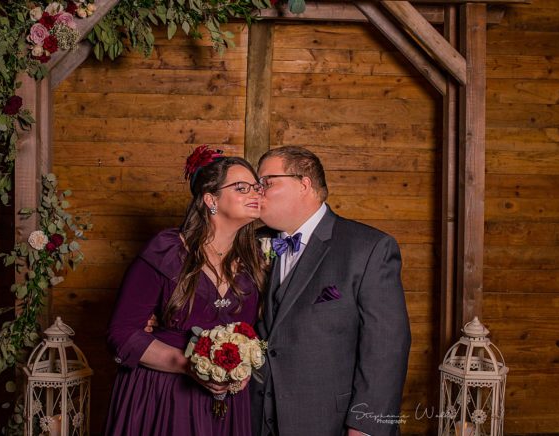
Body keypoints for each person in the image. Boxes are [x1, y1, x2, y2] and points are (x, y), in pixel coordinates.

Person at [105, 146, 269, 435]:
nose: (255, 194)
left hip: (228, 403)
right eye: (242, 188)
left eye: (256, 187)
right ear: (210, 199)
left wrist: (242, 367)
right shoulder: (167, 251)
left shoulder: (254, 258)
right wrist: (189, 366)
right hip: (164, 395)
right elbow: (121, 334)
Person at [249, 146, 411, 436]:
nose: (257, 192)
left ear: (304, 184)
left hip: (328, 424)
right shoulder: (252, 245)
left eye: (267, 183)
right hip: (255, 419)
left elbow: (387, 347)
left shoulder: (369, 248)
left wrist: (366, 426)